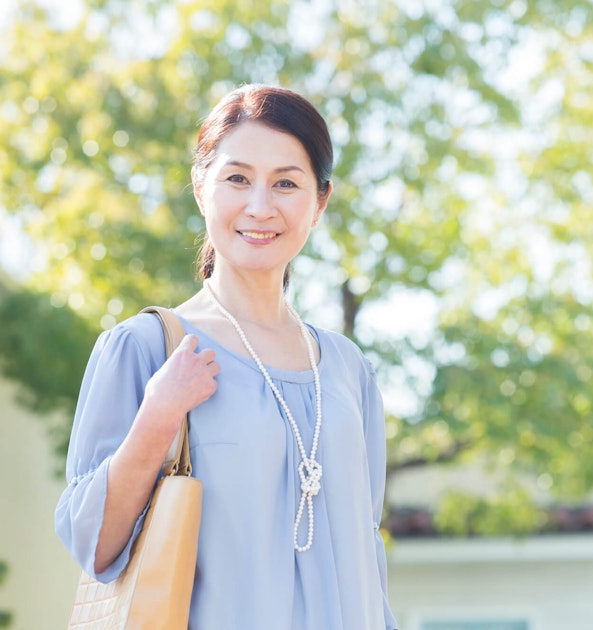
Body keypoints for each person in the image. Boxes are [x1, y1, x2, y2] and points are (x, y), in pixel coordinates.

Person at [55, 84, 398, 629]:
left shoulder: (347, 369)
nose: (260, 207)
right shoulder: (146, 347)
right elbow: (93, 546)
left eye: (286, 183)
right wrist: (157, 417)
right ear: (200, 187)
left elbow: (367, 557)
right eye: (237, 179)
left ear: (320, 201)